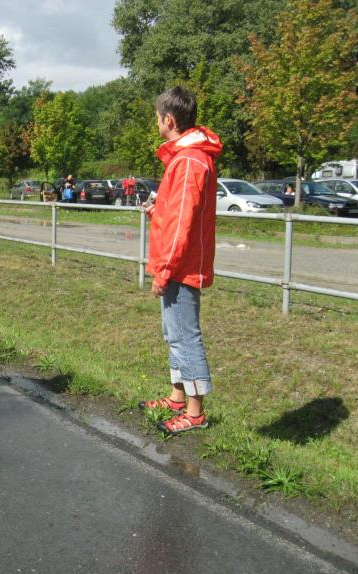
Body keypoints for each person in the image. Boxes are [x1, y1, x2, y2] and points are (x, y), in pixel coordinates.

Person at [138, 86, 222, 434]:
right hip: (175, 263)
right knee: (172, 334)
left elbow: (182, 225)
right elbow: (175, 212)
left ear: (169, 120)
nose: (156, 122)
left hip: (181, 266)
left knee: (186, 336)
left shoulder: (189, 161)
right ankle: (177, 397)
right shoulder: (184, 158)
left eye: (157, 117)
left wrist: (164, 271)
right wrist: (156, 210)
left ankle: (195, 412)